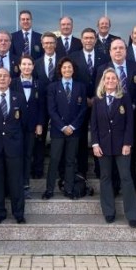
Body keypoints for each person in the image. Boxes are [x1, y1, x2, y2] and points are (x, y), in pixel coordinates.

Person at [90, 68, 136, 227]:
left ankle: (132, 214)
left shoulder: (124, 97)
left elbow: (130, 123)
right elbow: (94, 124)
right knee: (105, 178)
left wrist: (127, 143)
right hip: (103, 146)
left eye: (113, 78)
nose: (110, 81)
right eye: (107, 78)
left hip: (121, 145)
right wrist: (95, 144)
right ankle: (109, 212)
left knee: (126, 177)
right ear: (103, 81)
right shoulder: (97, 100)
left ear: (118, 81)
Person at [0, 68, 27, 224]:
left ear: (10, 80)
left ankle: (18, 212)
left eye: (5, 76)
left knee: (16, 181)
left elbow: (24, 122)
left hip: (14, 146)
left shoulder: (19, 98)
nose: (2, 78)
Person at [43, 57, 87, 200]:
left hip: (74, 131)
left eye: (69, 67)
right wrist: (62, 127)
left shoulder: (81, 87)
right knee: (54, 160)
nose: (67, 70)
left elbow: (83, 109)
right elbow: (51, 109)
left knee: (70, 160)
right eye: (64, 67)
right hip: (58, 131)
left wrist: (72, 126)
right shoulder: (53, 87)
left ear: (73, 70)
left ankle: (69, 189)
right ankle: (49, 189)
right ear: (60, 70)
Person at [70, 27, 109, 177]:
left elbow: (106, 79)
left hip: (99, 102)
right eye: (86, 38)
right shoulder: (73, 57)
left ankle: (100, 169)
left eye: (91, 38)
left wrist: (96, 97)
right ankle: (82, 170)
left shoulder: (104, 56)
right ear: (81, 40)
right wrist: (85, 98)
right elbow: (71, 79)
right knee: (80, 137)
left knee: (100, 135)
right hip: (80, 103)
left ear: (96, 40)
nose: (88, 40)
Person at [10, 55, 45, 197]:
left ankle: (25, 186)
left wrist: (40, 123)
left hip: (31, 126)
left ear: (33, 66)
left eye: (29, 64)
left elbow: (42, 106)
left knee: (28, 155)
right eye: (24, 64)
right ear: (19, 66)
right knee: (15, 156)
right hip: (15, 127)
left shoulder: (39, 84)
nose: (27, 67)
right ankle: (14, 186)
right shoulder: (12, 83)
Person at [32, 32, 60, 179]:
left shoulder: (63, 62)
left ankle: (59, 171)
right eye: (46, 43)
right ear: (42, 45)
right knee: (39, 138)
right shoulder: (36, 63)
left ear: (56, 44)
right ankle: (38, 170)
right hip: (41, 105)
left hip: (59, 106)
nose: (49, 45)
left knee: (59, 139)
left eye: (51, 42)